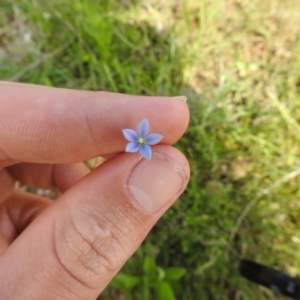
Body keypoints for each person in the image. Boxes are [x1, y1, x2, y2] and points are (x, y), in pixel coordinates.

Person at [0, 81, 190, 300]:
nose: (140, 140)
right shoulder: (137, 142)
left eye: (142, 140)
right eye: (139, 140)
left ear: (144, 140)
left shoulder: (141, 143)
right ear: (137, 139)